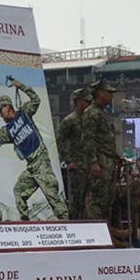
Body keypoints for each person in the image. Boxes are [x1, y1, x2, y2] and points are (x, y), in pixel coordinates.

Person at [0, 78, 68, 220]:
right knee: (19, 191)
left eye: (1, 111)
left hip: (41, 161)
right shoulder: (6, 131)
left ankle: (68, 225)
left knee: (52, 196)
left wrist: (21, 86)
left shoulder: (24, 113)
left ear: (7, 106)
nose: (1, 115)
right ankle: (25, 222)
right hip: (32, 167)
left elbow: (36, 100)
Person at [80, 80, 120, 226]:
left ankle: (106, 231)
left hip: (108, 162)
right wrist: (93, 163)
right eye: (109, 93)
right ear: (100, 93)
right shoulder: (91, 113)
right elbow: (88, 139)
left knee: (107, 200)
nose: (111, 96)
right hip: (100, 163)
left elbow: (104, 140)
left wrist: (116, 156)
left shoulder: (101, 113)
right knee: (96, 199)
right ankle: (96, 231)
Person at [56, 87, 92, 221]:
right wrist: (68, 160)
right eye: (86, 101)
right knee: (77, 202)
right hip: (77, 167)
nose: (89, 104)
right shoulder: (69, 120)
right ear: (78, 102)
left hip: (92, 166)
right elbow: (60, 140)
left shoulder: (91, 119)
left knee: (93, 202)